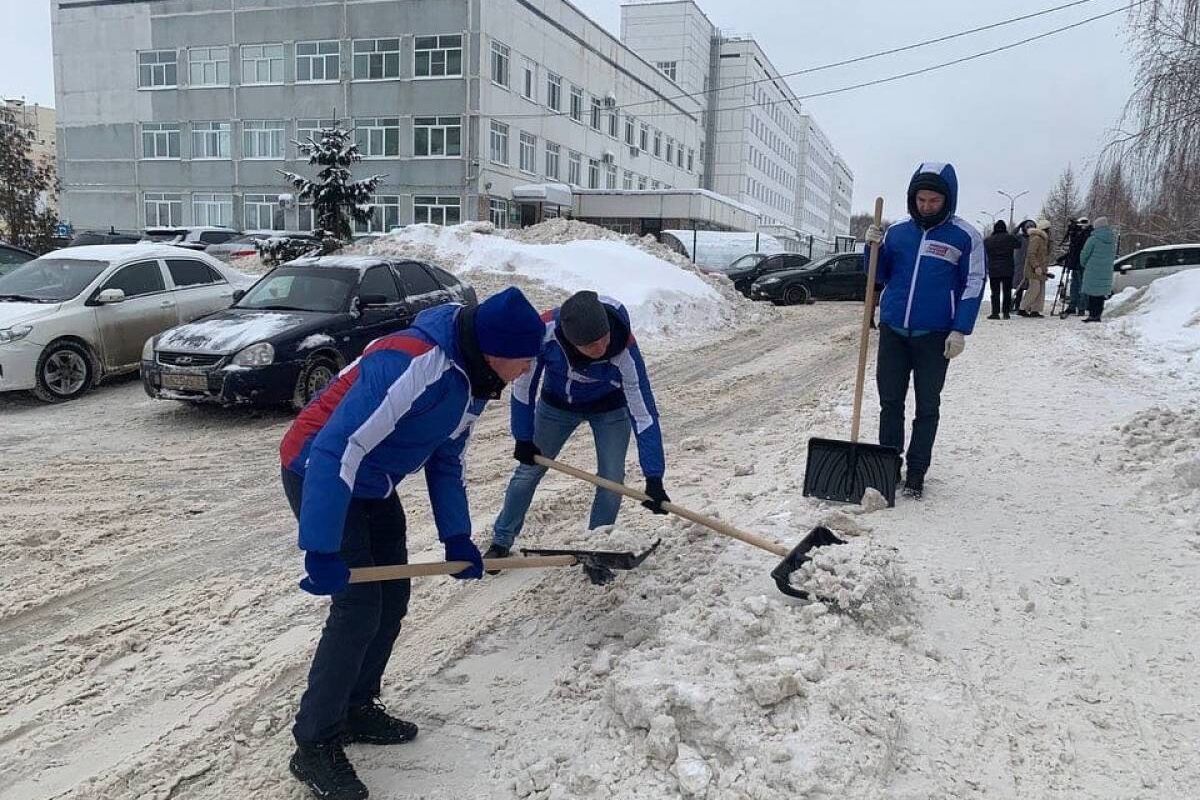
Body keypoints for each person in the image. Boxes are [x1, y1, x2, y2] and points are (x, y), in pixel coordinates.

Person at [278, 287, 546, 800]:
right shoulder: (414, 361)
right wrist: (322, 544)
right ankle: (313, 744)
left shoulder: (474, 380)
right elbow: (338, 446)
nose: (528, 371)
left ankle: (356, 707)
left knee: (393, 596)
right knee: (357, 606)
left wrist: (457, 537)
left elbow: (447, 458)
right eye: (525, 360)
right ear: (498, 351)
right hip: (319, 467)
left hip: (373, 480)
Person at [486, 290, 668, 563]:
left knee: (611, 480)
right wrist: (523, 437)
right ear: (571, 341)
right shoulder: (544, 332)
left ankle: (596, 549)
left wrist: (654, 477)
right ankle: (501, 541)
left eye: (604, 340)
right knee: (528, 472)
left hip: (610, 409)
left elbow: (644, 414)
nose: (601, 349)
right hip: (556, 406)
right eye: (590, 346)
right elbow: (524, 387)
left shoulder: (624, 346)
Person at [864, 162, 986, 499]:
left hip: (935, 335)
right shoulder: (898, 232)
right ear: (912, 198)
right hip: (893, 329)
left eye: (934, 201)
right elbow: (879, 275)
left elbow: (973, 284)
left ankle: (917, 472)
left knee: (927, 405)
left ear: (947, 200)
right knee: (890, 403)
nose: (927, 206)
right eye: (921, 200)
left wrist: (960, 329)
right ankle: (888, 466)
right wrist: (871, 248)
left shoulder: (965, 237)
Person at [1080, 216, 1116, 322]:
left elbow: (1085, 253)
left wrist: (1084, 264)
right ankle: (1098, 314)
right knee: (1100, 294)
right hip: (1106, 270)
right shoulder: (1112, 239)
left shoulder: (1093, 239)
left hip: (1093, 269)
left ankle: (1092, 314)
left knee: (1092, 292)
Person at [983, 219, 1021, 319]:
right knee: (1007, 292)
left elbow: (984, 251)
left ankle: (995, 313)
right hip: (1008, 269)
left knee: (995, 292)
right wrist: (1015, 233)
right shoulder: (1009, 238)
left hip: (994, 270)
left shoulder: (988, 240)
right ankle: (1006, 313)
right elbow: (1019, 245)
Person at [1017, 220, 1052, 318]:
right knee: (1034, 289)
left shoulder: (1045, 240)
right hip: (1033, 269)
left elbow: (1046, 254)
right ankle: (1022, 308)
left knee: (1041, 290)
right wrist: (1036, 266)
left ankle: (1035, 310)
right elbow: (1031, 253)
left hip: (1041, 269)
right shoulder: (1036, 239)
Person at [1061, 217, 1093, 316]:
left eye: (1083, 223)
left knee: (1082, 286)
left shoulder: (1089, 233)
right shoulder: (1078, 233)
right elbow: (1073, 247)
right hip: (1075, 262)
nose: (1081, 225)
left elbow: (1081, 246)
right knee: (1074, 285)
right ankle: (1072, 306)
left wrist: (1076, 234)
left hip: (1083, 263)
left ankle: (1081, 307)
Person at [1011, 219, 1036, 311]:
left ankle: (1027, 305)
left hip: (1031, 264)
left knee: (1031, 287)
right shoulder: (1019, 237)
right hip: (1020, 265)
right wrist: (1018, 227)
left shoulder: (1035, 238)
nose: (1030, 229)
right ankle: (1017, 305)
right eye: (1028, 227)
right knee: (1020, 287)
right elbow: (1011, 236)